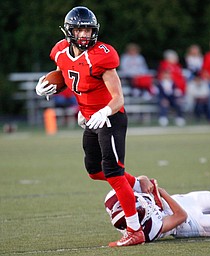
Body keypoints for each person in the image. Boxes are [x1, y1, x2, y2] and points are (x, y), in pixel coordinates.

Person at [35, 6, 146, 247]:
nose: (85, 34)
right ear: (69, 31)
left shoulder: (102, 56)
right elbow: (66, 75)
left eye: (88, 29)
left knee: (114, 173)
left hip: (109, 118)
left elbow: (118, 99)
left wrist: (105, 110)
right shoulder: (61, 52)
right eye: (80, 29)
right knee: (95, 171)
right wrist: (45, 83)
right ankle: (140, 186)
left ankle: (135, 230)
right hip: (90, 119)